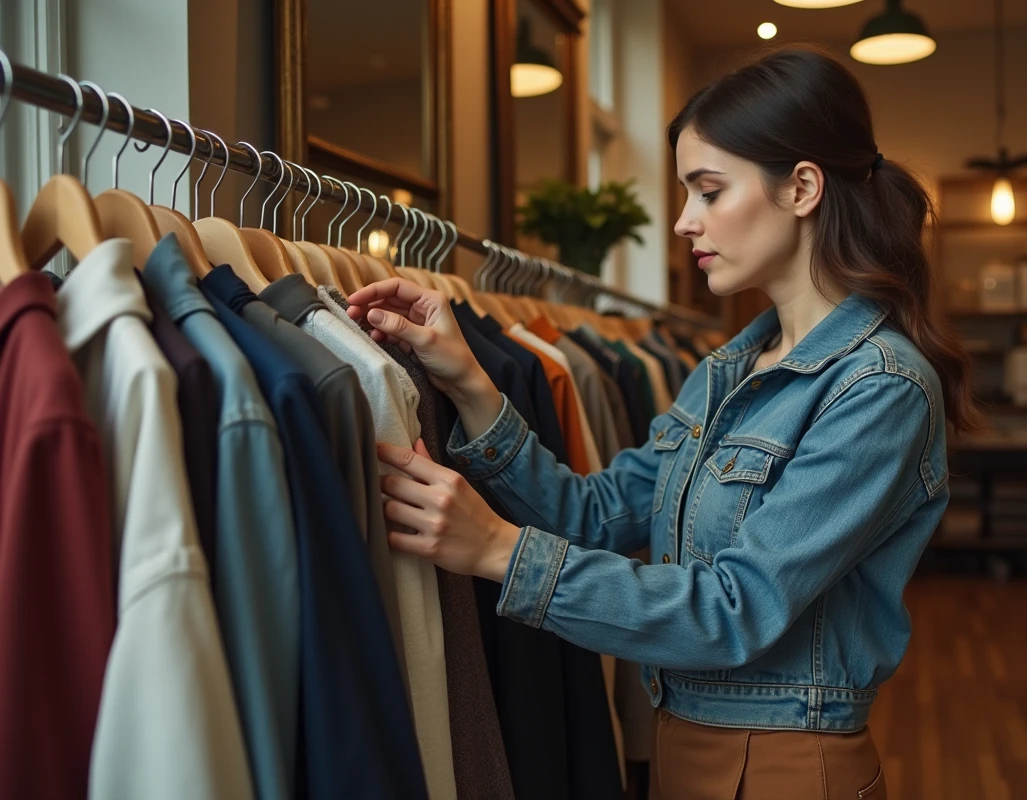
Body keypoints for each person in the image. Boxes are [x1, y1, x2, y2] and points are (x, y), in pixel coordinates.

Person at [347, 45, 976, 800]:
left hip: (785, 767)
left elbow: (737, 610)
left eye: (709, 191)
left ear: (802, 187)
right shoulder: (729, 369)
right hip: (682, 746)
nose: (683, 222)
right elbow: (595, 515)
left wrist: (497, 550)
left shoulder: (881, 388)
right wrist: (470, 383)